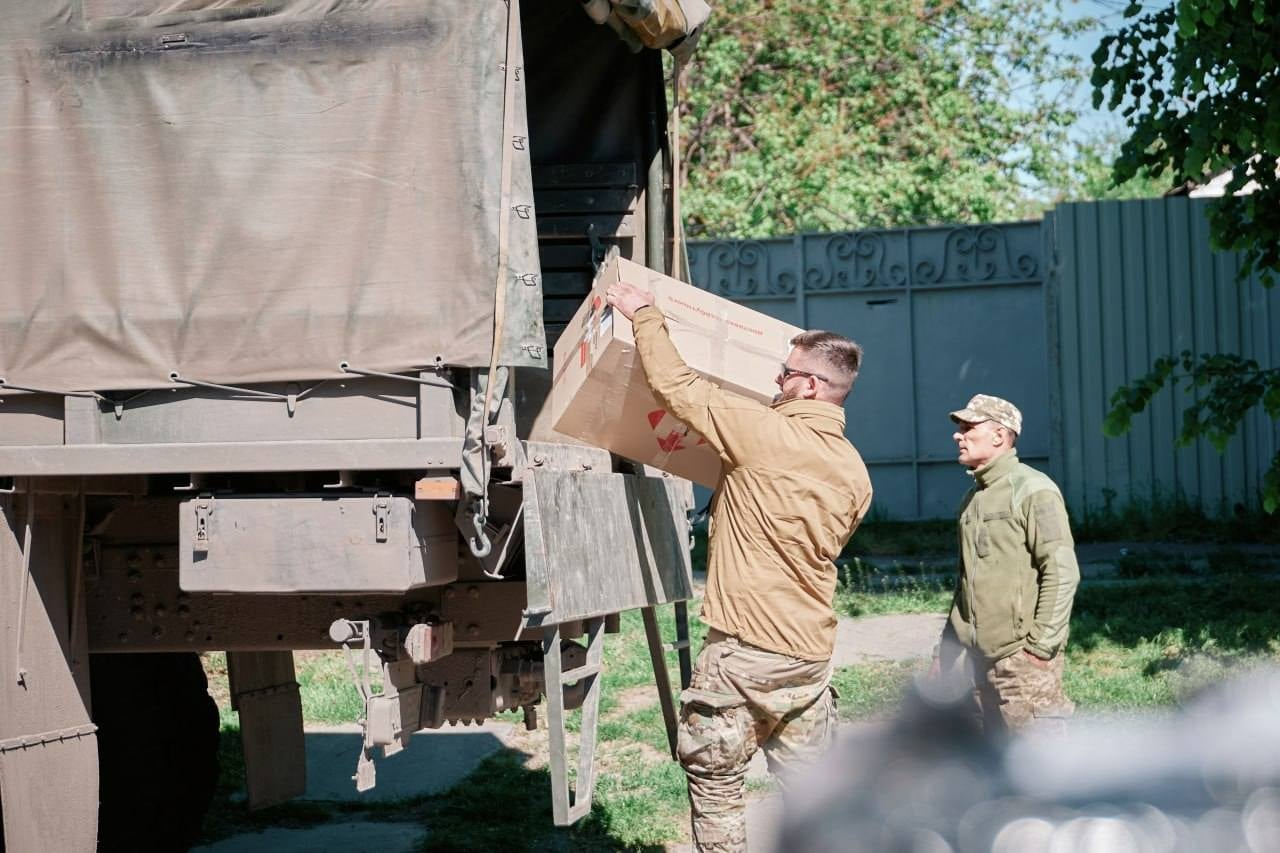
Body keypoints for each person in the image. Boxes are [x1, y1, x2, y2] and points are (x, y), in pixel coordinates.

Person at [605, 280, 872, 853]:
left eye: (785, 373)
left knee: (717, 784)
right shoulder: (855, 471)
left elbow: (679, 386)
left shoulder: (763, 431)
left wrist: (644, 313)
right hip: (809, 656)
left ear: (810, 385)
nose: (776, 381)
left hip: (745, 650)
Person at [933, 394, 1080, 734]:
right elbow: (965, 583)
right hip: (974, 664)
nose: (958, 435)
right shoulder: (973, 498)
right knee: (986, 763)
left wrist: (1039, 648)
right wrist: (946, 652)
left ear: (999, 435)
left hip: (1020, 662)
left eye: (968, 428)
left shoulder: (1033, 490)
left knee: (1035, 763)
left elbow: (1062, 571)